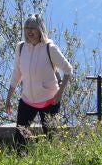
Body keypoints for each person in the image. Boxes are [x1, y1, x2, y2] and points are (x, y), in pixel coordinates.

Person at [4, 14, 73, 146]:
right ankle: (21, 161)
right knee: (20, 136)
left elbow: (68, 70)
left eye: (33, 28)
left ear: (40, 29)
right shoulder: (21, 47)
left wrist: (59, 93)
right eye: (27, 28)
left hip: (49, 101)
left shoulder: (50, 48)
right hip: (27, 99)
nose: (29, 31)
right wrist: (8, 98)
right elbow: (16, 73)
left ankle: (52, 163)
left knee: (51, 137)